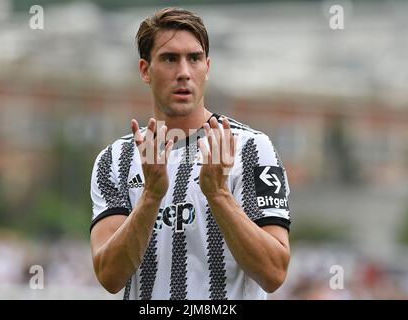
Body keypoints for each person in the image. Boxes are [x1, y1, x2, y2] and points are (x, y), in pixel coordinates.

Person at [90, 7, 291, 300]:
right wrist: (150, 196)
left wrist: (219, 194)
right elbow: (109, 276)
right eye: (170, 59)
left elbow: (274, 273)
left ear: (207, 68)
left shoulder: (252, 148)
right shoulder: (115, 160)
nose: (184, 72)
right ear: (146, 70)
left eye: (194, 58)